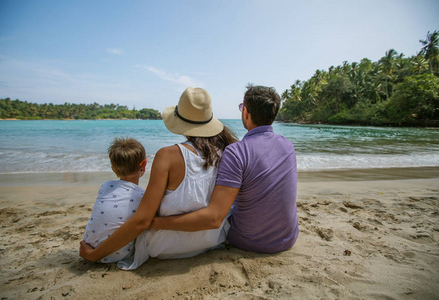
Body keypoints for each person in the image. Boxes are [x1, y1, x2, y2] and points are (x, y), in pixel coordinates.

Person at [79, 87, 237, 269]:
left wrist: (93, 255)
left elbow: (142, 222)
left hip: (165, 246)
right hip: (213, 239)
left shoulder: (167, 156)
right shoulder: (229, 151)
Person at [151, 84, 299, 253]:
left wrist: (154, 222)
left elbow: (214, 218)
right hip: (287, 239)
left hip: (248, 241)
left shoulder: (238, 151)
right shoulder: (288, 146)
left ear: (245, 112)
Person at [83, 137, 147, 263]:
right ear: (144, 164)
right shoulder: (142, 196)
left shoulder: (105, 186)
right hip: (118, 255)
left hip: (89, 246)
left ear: (113, 168)